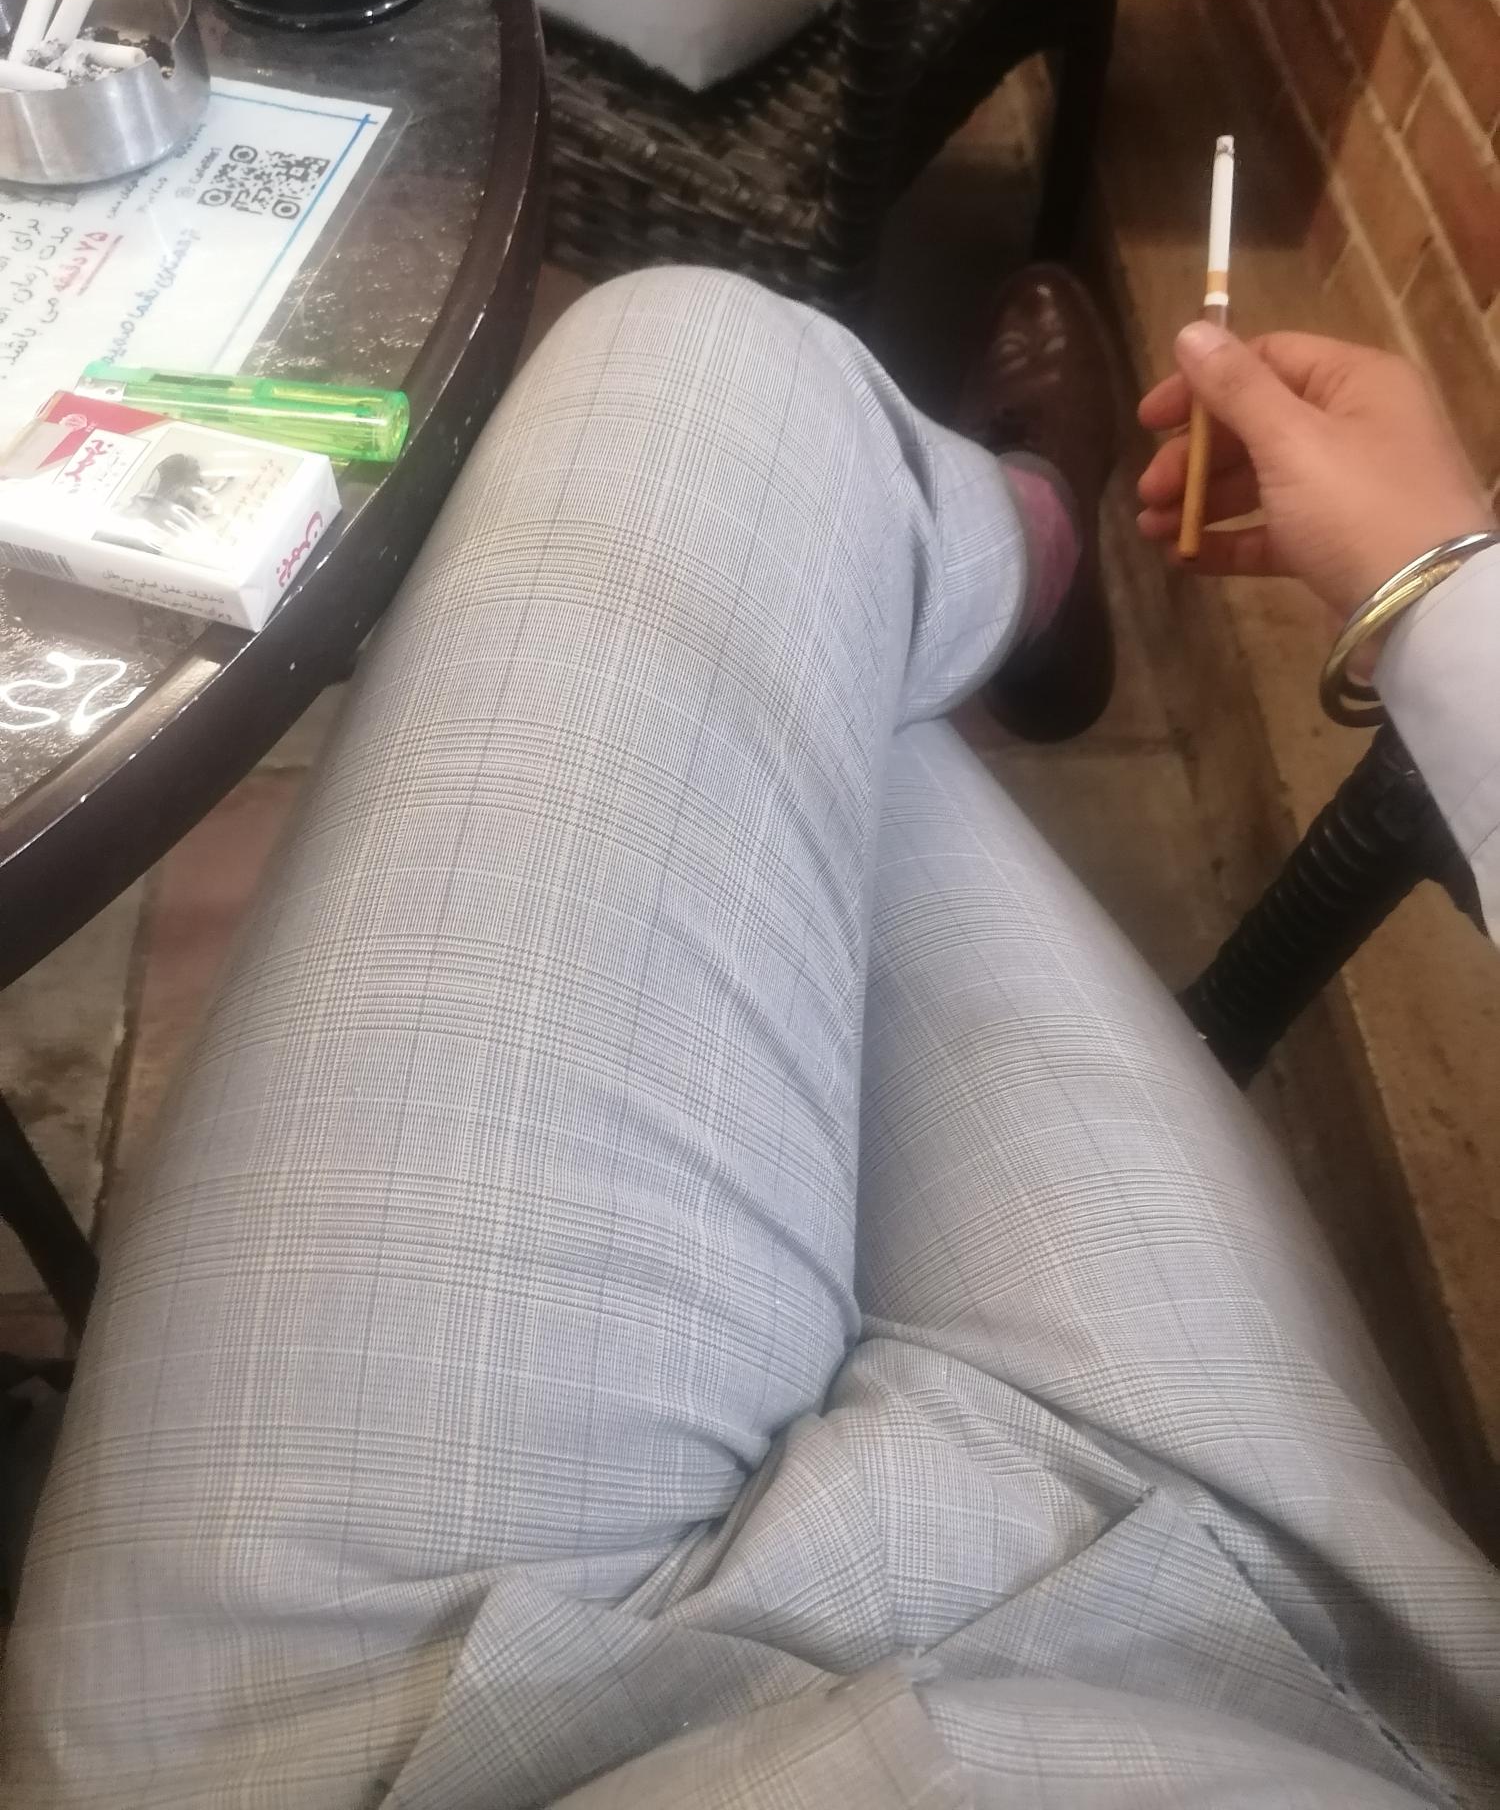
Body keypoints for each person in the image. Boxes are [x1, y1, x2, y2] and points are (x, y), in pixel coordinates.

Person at [2, 265, 1497, 1807]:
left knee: (720, 407)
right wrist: (1447, 604)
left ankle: (1019, 540)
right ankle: (1017, 557)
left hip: (406, 1754)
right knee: (759, 485)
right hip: (1279, 1680)